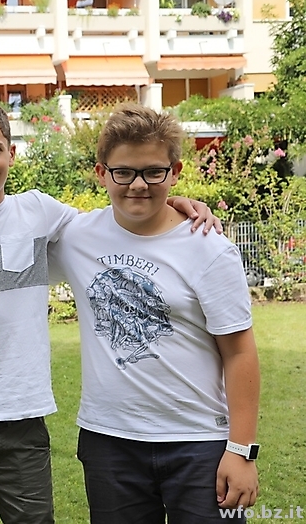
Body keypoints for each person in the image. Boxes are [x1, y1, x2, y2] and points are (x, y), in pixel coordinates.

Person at [0, 98, 218, 524]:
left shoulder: (38, 211)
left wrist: (175, 202)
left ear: (12, 153)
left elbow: (115, 222)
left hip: (23, 419)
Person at [48, 103, 260, 523]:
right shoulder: (74, 237)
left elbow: (239, 352)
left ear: (175, 172)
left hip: (199, 443)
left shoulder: (209, 248)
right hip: (110, 441)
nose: (138, 185)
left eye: (153, 172)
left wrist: (241, 451)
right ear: (101, 173)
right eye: (124, 172)